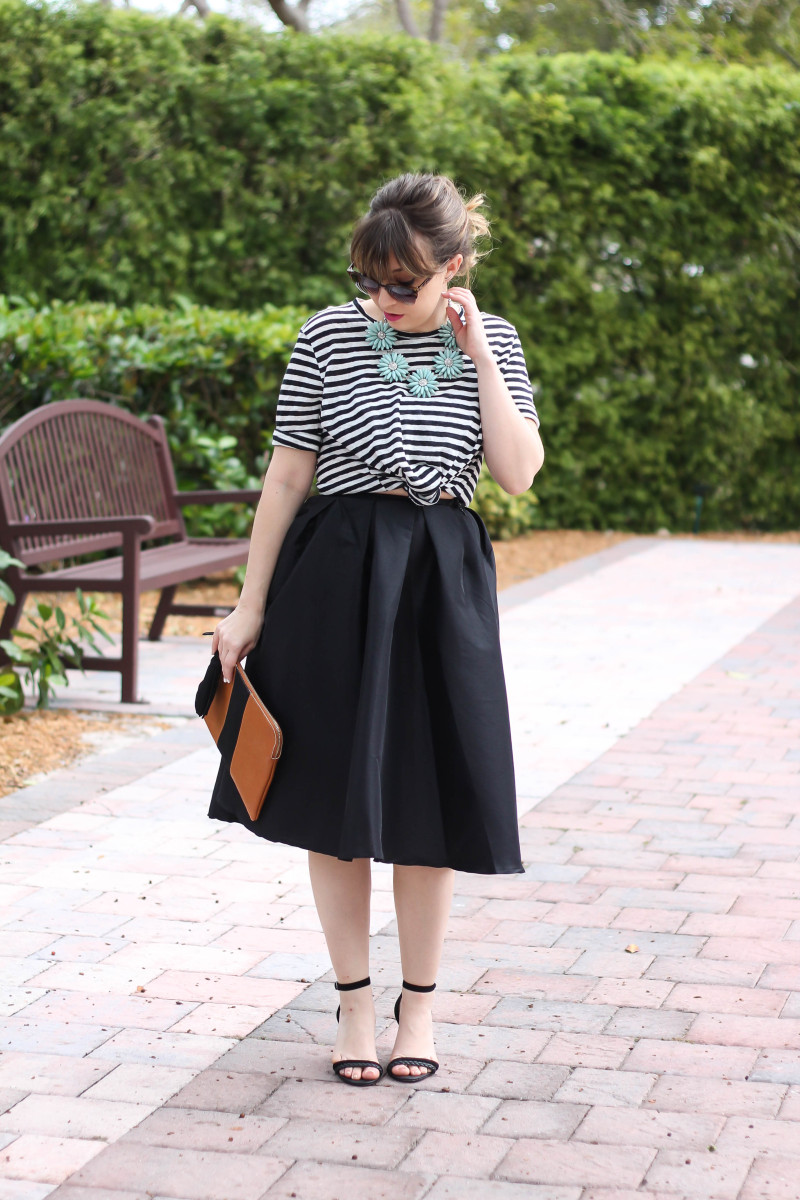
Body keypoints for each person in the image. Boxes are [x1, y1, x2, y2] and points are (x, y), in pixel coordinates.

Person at [209, 173, 544, 1087]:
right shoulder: (326, 335)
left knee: (431, 803)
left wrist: (476, 355)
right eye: (373, 279)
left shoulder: (496, 342)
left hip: (443, 576)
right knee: (335, 805)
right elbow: (287, 477)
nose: (384, 299)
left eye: (405, 283)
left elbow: (516, 474)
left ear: (454, 270)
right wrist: (250, 604)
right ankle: (355, 1004)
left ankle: (420, 1008)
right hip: (338, 573)